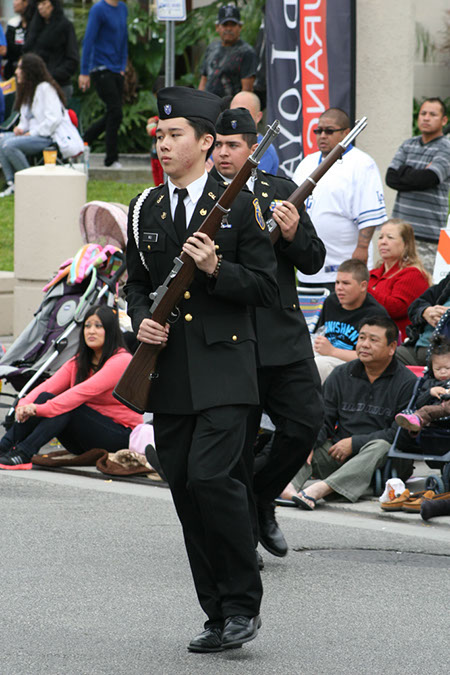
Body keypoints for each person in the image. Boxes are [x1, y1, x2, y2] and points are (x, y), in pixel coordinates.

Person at [125, 87, 278, 653]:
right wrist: (141, 321)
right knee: (187, 490)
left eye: (175, 135)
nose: (163, 145)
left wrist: (217, 269)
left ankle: (243, 605)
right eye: (160, 136)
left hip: (226, 366)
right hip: (169, 372)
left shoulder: (240, 202)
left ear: (207, 142)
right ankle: (216, 614)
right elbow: (135, 284)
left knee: (215, 479)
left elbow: (266, 287)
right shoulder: (145, 207)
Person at [211, 106, 324, 559]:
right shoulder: (200, 199)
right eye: (217, 144)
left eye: (233, 145)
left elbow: (313, 260)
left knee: (305, 422)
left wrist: (295, 233)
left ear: (253, 149)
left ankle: (261, 495)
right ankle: (241, 533)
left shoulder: (279, 192)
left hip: (281, 332)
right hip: (230, 336)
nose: (223, 153)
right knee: (236, 442)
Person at [280, 316, 417, 508]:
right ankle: (288, 487)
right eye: (361, 338)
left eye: (373, 340)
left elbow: (399, 434)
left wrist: (355, 443)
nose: (364, 344)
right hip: (340, 454)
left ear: (392, 347)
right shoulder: (341, 375)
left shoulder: (407, 382)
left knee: (381, 445)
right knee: (306, 442)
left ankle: (322, 489)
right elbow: (323, 419)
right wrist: (310, 442)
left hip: (387, 460)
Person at [0, 305, 142, 470]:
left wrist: (37, 409)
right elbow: (49, 386)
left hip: (119, 436)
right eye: (87, 326)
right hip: (83, 438)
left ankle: (24, 454)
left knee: (69, 406)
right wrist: (24, 404)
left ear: (110, 331)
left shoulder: (121, 361)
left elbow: (80, 393)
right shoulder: (80, 361)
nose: (91, 331)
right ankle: (4, 446)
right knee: (47, 396)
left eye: (98, 326)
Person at [293, 108, 387, 291]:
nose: (322, 136)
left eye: (329, 131)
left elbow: (369, 214)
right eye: (318, 131)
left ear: (346, 133)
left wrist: (361, 249)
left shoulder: (362, 163)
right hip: (310, 268)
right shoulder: (306, 163)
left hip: (345, 269)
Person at [386, 98, 450, 272]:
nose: (426, 118)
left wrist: (404, 171)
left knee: (421, 290)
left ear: (444, 120)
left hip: (427, 236)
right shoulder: (408, 145)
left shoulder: (446, 148)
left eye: (432, 114)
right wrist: (418, 173)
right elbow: (391, 178)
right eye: (423, 113)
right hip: (400, 233)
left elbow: (429, 179)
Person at [0, 53, 65, 198]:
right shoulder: (27, 90)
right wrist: (21, 128)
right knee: (1, 139)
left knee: (10, 145)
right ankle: (12, 183)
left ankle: (31, 183)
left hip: (46, 137)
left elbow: (53, 120)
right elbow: (26, 119)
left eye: (20, 68)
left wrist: (32, 133)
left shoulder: (45, 89)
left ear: (29, 70)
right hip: (29, 135)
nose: (16, 71)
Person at [314, 259, 388, 383]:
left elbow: (375, 357)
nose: (339, 288)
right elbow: (318, 333)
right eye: (337, 282)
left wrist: (332, 351)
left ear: (363, 286)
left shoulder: (375, 314)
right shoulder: (331, 302)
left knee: (318, 364)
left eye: (346, 283)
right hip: (326, 355)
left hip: (355, 366)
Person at [78, 0, 127, 169]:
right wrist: (84, 71)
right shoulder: (98, 9)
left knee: (114, 113)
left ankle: (84, 139)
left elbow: (124, 38)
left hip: (117, 70)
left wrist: (122, 67)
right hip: (100, 68)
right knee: (115, 111)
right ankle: (111, 159)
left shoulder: (122, 8)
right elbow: (88, 40)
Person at [368, 219, 430, 342]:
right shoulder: (372, 274)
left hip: (395, 343)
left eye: (390, 238)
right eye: (380, 237)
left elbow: (396, 309)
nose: (383, 242)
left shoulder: (413, 274)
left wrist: (363, 290)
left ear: (406, 244)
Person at [198, 4, 257, 99]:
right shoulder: (211, 48)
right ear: (217, 27)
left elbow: (247, 90)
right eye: (225, 25)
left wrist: (238, 110)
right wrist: (199, 100)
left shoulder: (247, 52)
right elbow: (204, 79)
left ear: (240, 27)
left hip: (230, 109)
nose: (229, 29)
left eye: (233, 25)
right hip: (208, 106)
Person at [396, 334, 450, 434]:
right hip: (435, 420)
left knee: (425, 411)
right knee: (421, 411)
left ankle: (417, 421)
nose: (443, 372)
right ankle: (413, 428)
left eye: (447, 368)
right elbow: (418, 403)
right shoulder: (430, 383)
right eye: (438, 369)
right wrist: (430, 393)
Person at [24, 0, 78, 100]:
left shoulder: (65, 26)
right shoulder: (34, 27)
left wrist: (51, 75)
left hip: (59, 84)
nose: (40, 7)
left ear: (53, 5)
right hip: (36, 85)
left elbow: (72, 59)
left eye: (44, 3)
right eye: (38, 4)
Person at [396, 271, 450, 366]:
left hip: (445, 356)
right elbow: (416, 305)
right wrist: (426, 311)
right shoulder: (447, 282)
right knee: (380, 358)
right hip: (419, 350)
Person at [230, 91, 279, 174]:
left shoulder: (264, 150)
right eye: (233, 112)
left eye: (244, 113)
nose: (237, 118)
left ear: (258, 117)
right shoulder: (222, 141)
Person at [4, 0, 35, 81]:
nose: (14, 2)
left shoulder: (36, 25)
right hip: (12, 73)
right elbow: (7, 51)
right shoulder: (13, 24)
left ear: (26, 2)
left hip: (30, 73)